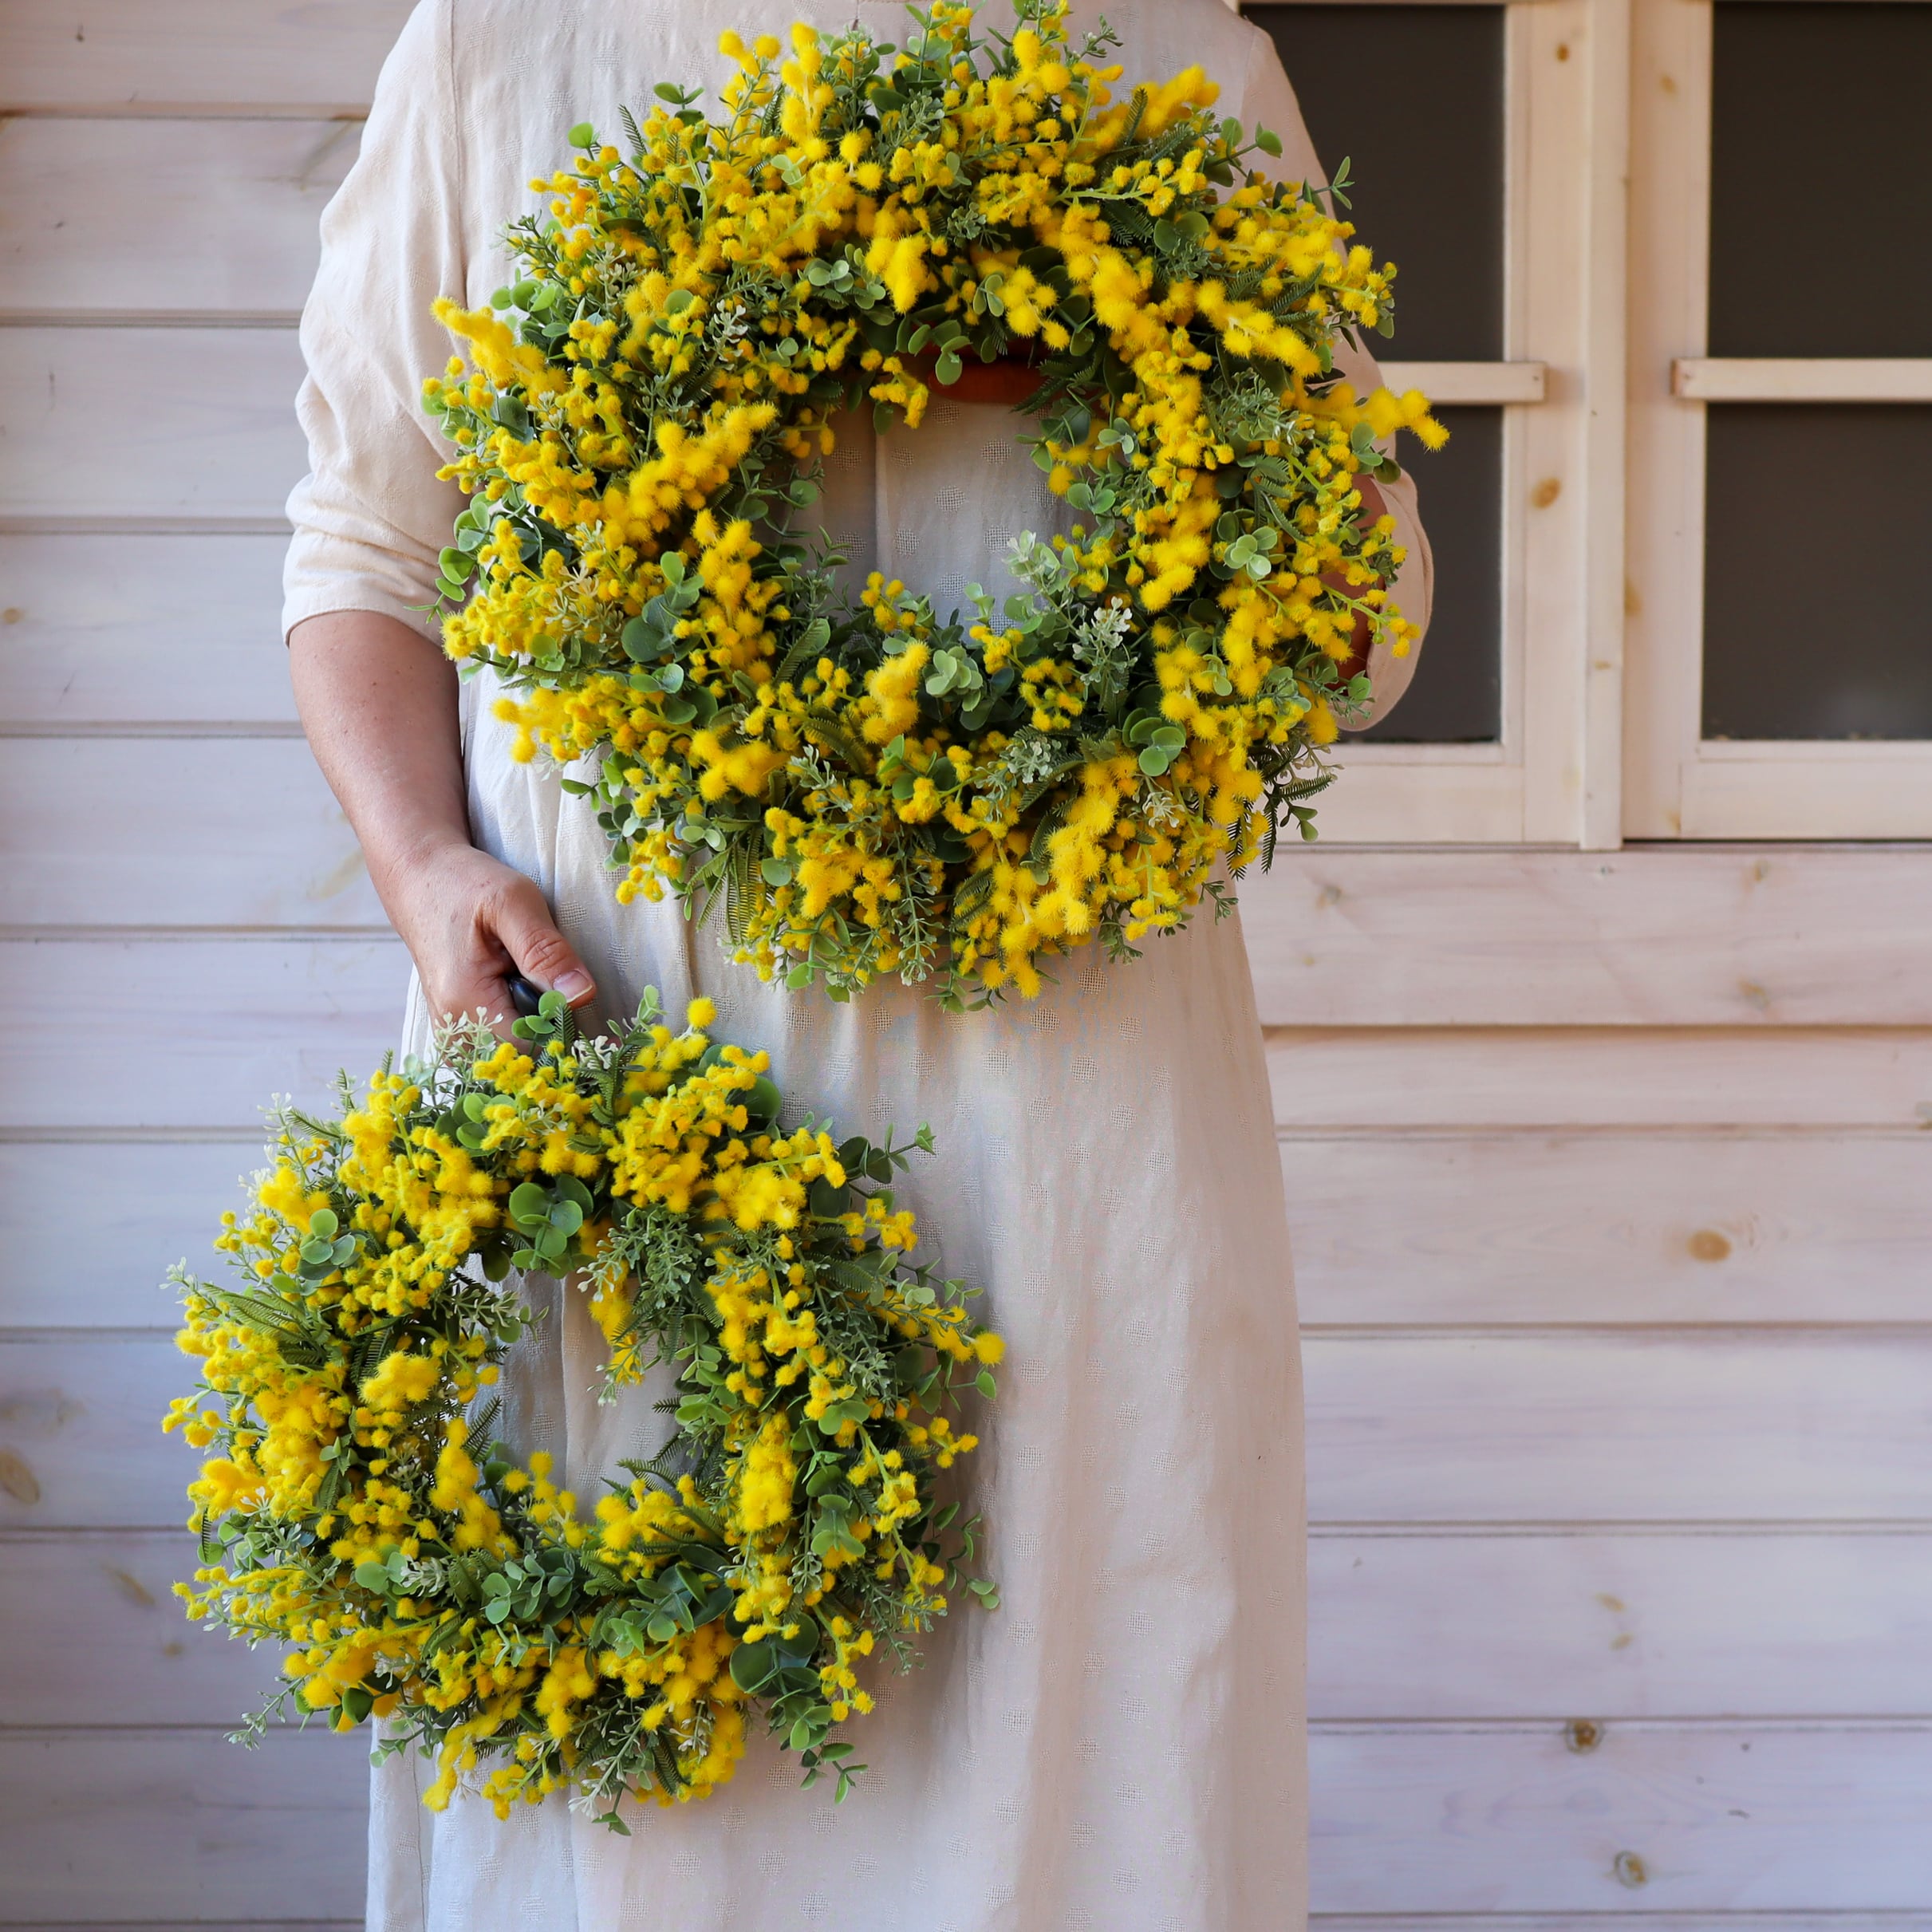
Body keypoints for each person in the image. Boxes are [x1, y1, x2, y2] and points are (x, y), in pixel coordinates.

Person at [284, 2, 1432, 1926]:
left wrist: (1088, 360)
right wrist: (420, 863)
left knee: (1092, 1658)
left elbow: (1367, 607)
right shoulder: (506, 46)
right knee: (658, 1725)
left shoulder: (1174, 61)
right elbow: (367, 546)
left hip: (1071, 1060)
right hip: (629, 1019)